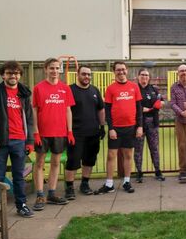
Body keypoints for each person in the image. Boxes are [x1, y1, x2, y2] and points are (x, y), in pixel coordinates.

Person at [0, 61, 35, 220]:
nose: (13, 76)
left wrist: (30, 141)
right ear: (3, 74)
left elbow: (29, 118)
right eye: (9, 73)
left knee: (19, 175)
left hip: (19, 141)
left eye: (16, 73)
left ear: (19, 75)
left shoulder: (23, 94)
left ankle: (22, 205)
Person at [32, 58, 75, 210]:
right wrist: (36, 132)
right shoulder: (38, 88)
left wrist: (69, 131)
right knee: (39, 164)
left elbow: (68, 110)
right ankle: (39, 195)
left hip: (60, 132)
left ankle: (51, 193)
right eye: (51, 68)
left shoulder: (65, 88)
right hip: (43, 133)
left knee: (56, 163)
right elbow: (35, 111)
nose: (55, 71)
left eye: (57, 68)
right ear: (45, 69)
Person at [96, 61, 143, 194]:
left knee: (128, 154)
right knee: (111, 155)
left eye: (123, 69)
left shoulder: (134, 87)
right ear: (114, 72)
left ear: (127, 70)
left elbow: (139, 108)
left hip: (131, 127)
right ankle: (109, 183)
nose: (121, 72)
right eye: (118, 70)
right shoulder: (110, 88)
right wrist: (110, 128)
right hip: (116, 128)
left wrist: (139, 126)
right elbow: (108, 110)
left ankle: (127, 182)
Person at [64, 66, 106, 198]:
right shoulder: (70, 90)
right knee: (73, 160)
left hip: (93, 132)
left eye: (89, 74)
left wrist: (102, 126)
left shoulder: (94, 90)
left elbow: (101, 109)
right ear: (77, 74)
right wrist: (69, 131)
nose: (87, 77)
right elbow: (66, 110)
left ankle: (85, 184)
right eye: (84, 74)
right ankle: (69, 187)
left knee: (89, 160)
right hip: (76, 133)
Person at [134, 68, 165, 182]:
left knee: (154, 148)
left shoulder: (154, 89)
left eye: (147, 75)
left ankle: (158, 171)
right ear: (138, 76)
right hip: (138, 124)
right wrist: (142, 109)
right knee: (138, 149)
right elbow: (130, 105)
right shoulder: (134, 89)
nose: (144, 77)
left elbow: (161, 100)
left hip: (152, 123)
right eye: (142, 75)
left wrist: (160, 103)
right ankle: (139, 173)